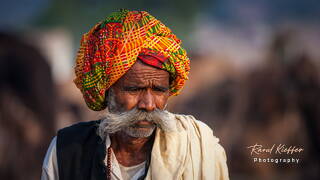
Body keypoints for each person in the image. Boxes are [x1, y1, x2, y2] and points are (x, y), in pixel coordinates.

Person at [41, 9, 229, 180]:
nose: (148, 104)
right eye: (134, 89)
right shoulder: (66, 151)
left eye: (159, 90)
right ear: (107, 91)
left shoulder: (198, 147)